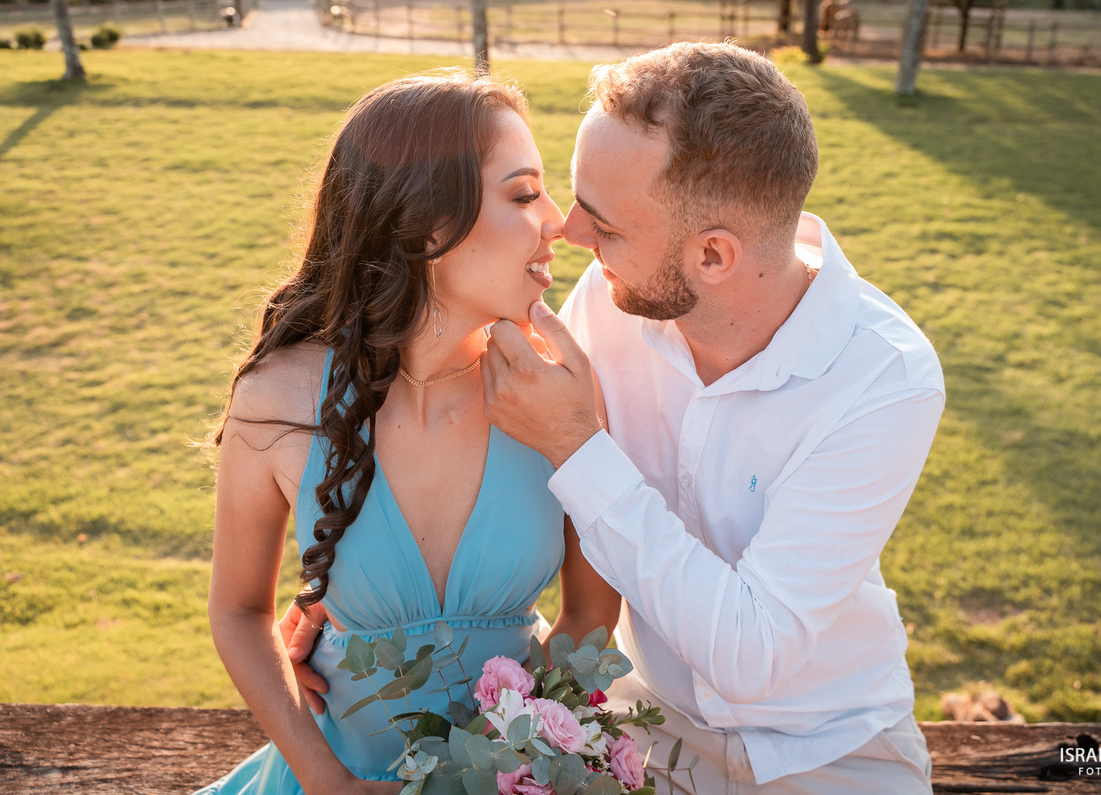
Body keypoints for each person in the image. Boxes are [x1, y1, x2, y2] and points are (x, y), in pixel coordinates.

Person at [479, 42, 945, 793]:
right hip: (644, 725)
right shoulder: (608, 296)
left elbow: (751, 656)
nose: (568, 234)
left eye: (604, 223)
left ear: (714, 257)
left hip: (833, 749)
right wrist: (346, 611)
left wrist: (577, 443)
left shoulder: (885, 377)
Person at [196, 72, 619, 795]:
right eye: (523, 194)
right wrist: (327, 781)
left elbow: (590, 609)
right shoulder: (278, 402)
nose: (557, 220)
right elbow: (238, 611)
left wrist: (489, 772)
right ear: (425, 224)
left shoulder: (555, 391)